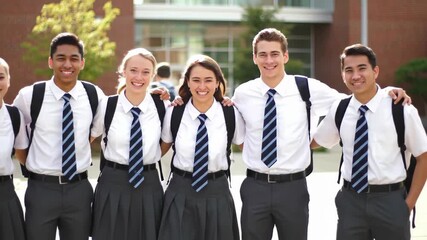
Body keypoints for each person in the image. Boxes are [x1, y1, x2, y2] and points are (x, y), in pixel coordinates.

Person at [231, 28, 411, 240]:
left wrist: (385, 93)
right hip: (255, 187)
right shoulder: (243, 93)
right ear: (254, 58)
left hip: (293, 187)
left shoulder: (306, 88)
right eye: (262, 54)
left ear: (285, 56)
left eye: (275, 54)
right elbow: (240, 136)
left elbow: (352, 101)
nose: (269, 60)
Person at [311, 44, 427, 240]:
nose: (356, 75)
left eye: (362, 68)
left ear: (375, 71)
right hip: (350, 200)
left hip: (390, 201)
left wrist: (407, 205)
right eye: (349, 70)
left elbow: (423, 157)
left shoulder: (401, 109)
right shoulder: (339, 109)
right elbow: (314, 141)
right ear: (343, 75)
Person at [13, 32, 105, 240]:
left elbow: (91, 136)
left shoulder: (94, 95)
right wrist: (37, 168)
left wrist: (159, 95)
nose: (67, 64)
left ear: (82, 62)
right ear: (50, 61)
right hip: (41, 190)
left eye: (74, 58)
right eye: (61, 58)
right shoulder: (29, 96)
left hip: (79, 190)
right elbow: (20, 143)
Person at [158, 54, 245, 240]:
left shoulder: (230, 113)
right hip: (180, 191)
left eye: (208, 80)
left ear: (217, 83)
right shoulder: (174, 112)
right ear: (187, 83)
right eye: (196, 80)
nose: (202, 86)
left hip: (217, 192)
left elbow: (247, 147)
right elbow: (158, 150)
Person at [90, 48, 168, 239]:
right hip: (112, 182)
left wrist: (151, 156)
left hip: (148, 183)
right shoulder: (107, 105)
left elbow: (167, 141)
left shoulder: (162, 106)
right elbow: (88, 138)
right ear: (123, 72)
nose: (138, 77)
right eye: (133, 70)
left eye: (145, 72)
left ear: (153, 75)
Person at [0, 57, 27, 240]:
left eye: (1, 76)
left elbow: (23, 155)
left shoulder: (14, 115)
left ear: (9, 80)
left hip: (5, 194)